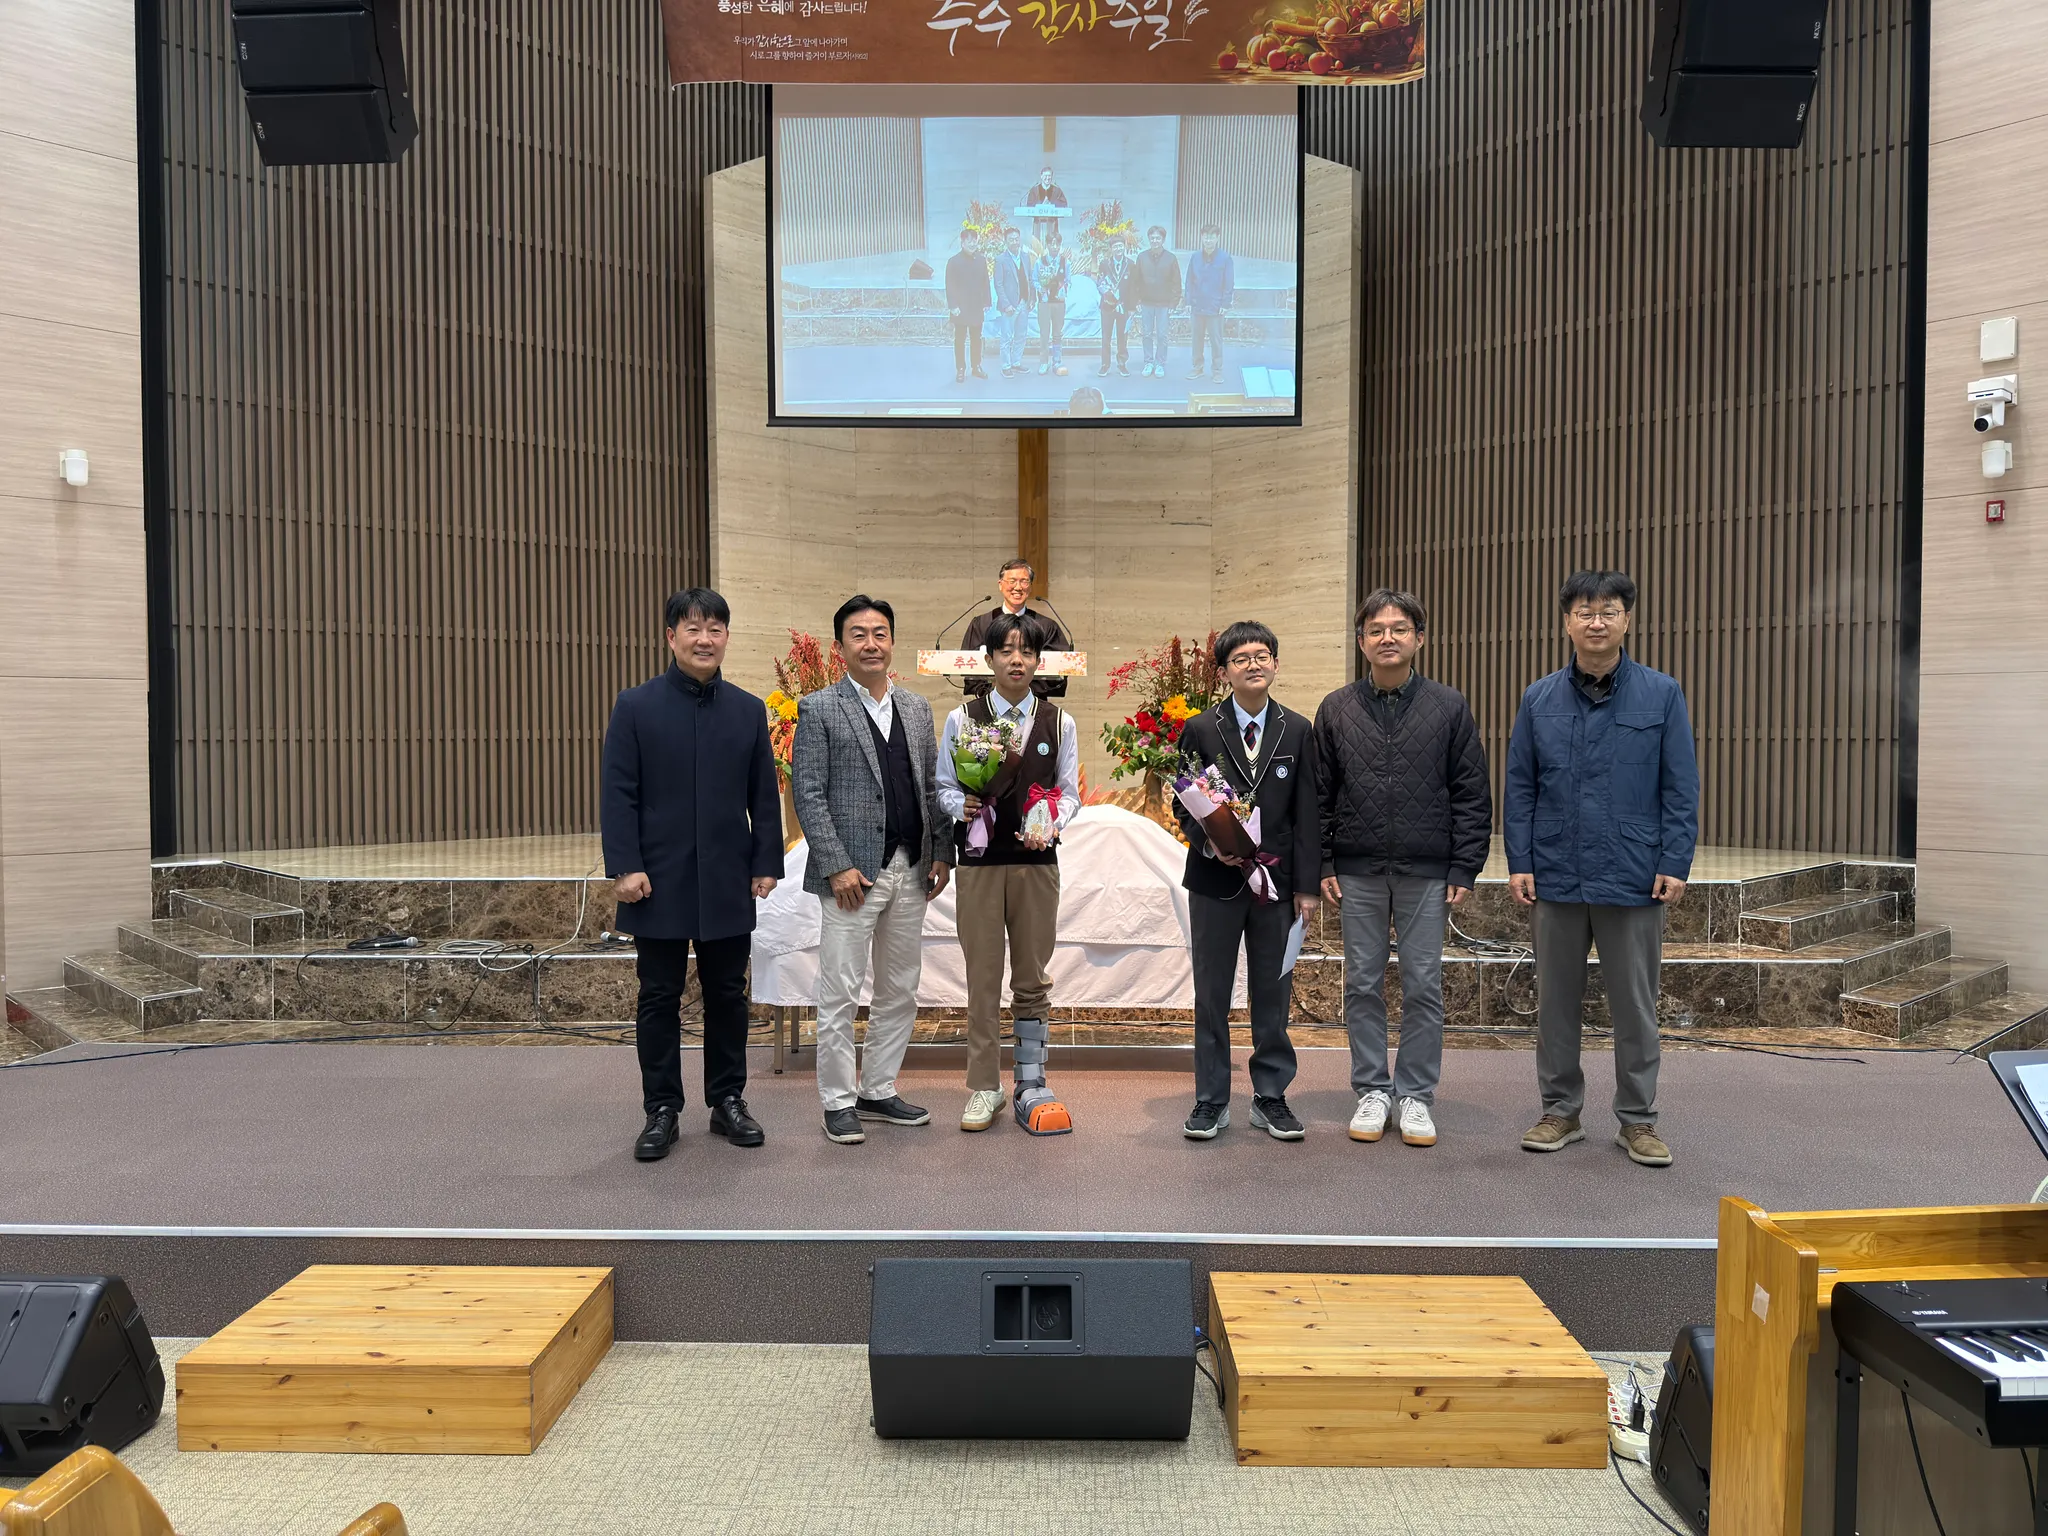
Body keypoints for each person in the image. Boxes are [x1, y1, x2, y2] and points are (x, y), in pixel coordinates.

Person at [1505, 571, 1699, 1169]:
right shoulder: (1539, 698)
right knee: (1555, 1003)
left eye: (1608, 611)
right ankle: (1559, 1111)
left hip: (1633, 872)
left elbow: (1680, 785)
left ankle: (1638, 1119)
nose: (1596, 622)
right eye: (1584, 612)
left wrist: (1674, 860)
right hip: (1557, 870)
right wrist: (1520, 860)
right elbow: (1520, 785)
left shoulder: (1661, 694)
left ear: (1627, 620)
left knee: (1635, 1006)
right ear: (1567, 622)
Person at [602, 587, 783, 1163]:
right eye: (693, 629)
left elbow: (763, 795)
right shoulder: (636, 705)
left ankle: (728, 1100)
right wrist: (625, 866)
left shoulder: (748, 710)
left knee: (728, 995)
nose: (705, 639)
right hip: (656, 878)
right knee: (658, 995)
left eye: (715, 629)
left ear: (726, 637)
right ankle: (661, 1108)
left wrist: (766, 861)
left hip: (727, 875)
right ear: (671, 636)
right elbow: (619, 793)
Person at [1315, 590, 1492, 1150]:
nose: (1387, 637)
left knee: (1423, 985)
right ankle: (1372, 1089)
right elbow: (1320, 795)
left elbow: (1471, 791)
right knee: (1361, 983)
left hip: (1426, 870)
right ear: (1361, 641)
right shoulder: (1336, 708)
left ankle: (1415, 1094)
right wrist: (1324, 860)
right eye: (1375, 629)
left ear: (1419, 637)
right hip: (1358, 869)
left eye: (1399, 628)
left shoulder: (1448, 706)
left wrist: (1464, 866)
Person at [791, 595, 952, 1145]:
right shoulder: (819, 708)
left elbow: (930, 786)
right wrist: (836, 865)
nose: (870, 644)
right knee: (839, 991)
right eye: (858, 635)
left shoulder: (915, 708)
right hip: (851, 880)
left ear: (892, 642)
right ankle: (838, 1101)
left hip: (910, 868)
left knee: (899, 988)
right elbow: (809, 794)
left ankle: (878, 1089)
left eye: (879, 633)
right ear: (840, 647)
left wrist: (941, 851)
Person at [935, 612, 1081, 1135]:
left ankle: (1031, 1078)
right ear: (990, 658)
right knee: (981, 978)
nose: (1016, 660)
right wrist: (962, 806)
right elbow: (943, 786)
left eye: (1026, 652)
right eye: (1006, 651)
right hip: (979, 864)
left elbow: (1070, 793)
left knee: (1032, 978)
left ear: (1039, 662)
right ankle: (983, 1086)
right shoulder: (963, 718)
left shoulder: (1059, 723)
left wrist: (1052, 820)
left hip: (1037, 865)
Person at [1175, 622, 1322, 1141]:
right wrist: (1209, 842)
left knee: (1273, 990)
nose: (1253, 665)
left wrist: (1307, 886)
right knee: (1211, 992)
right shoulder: (1200, 729)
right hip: (1214, 881)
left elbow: (1309, 813)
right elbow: (1183, 799)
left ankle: (1271, 1095)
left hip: (1277, 885)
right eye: (1241, 659)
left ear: (1275, 664)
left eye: (1262, 655)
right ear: (1224, 673)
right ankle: (1211, 1099)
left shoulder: (1298, 730)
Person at [960, 557, 1070, 699]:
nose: (1018, 587)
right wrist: (996, 691)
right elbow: (970, 673)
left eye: (1024, 581)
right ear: (1000, 585)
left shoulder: (1046, 626)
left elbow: (1058, 673)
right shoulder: (981, 623)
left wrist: (1021, 689)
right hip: (989, 704)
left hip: (1033, 704)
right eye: (1012, 581)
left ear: (1030, 586)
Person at [1184, 224, 1235, 383]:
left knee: (1216, 340)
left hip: (1215, 307)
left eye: (1212, 237)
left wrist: (1225, 304)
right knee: (1196, 339)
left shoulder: (1225, 258)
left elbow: (1229, 283)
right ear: (1201, 237)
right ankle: (1197, 367)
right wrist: (1188, 301)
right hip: (1197, 305)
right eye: (1206, 237)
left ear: (1217, 238)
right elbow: (1189, 281)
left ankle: (1217, 370)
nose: (1208, 240)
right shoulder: (1195, 257)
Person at [1132, 224, 1181, 379]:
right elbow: (1136, 281)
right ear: (1149, 239)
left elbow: (1176, 282)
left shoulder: (1171, 258)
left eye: (1158, 238)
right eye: (1152, 238)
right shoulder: (1142, 257)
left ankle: (1160, 363)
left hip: (1164, 304)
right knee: (1146, 334)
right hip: (1146, 303)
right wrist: (1137, 300)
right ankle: (1148, 362)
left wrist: (1174, 303)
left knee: (1162, 335)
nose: (1155, 241)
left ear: (1163, 240)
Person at [944, 228, 990, 385]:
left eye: (974, 241)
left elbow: (985, 282)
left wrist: (987, 302)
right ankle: (960, 369)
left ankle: (976, 366)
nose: (972, 244)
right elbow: (950, 285)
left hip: (976, 306)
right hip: (960, 308)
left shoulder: (981, 260)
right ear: (962, 243)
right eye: (969, 241)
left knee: (976, 338)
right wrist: (953, 306)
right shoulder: (953, 262)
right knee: (960, 339)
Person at [991, 227, 1033, 378]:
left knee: (1021, 335)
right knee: (1007, 337)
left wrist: (1031, 299)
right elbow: (998, 284)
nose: (1015, 242)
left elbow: (1029, 279)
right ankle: (1006, 365)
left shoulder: (1026, 257)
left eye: (1017, 239)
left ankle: (1016, 362)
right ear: (1006, 241)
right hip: (1009, 305)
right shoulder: (1001, 260)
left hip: (1024, 303)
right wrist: (1006, 304)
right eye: (1011, 240)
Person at [1035, 226, 1071, 378]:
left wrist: (1064, 289)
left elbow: (1068, 280)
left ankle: (1057, 360)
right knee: (1044, 334)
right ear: (1047, 245)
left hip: (1059, 303)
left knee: (1057, 334)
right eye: (1052, 244)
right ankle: (1044, 362)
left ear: (1060, 245)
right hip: (1044, 303)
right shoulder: (1040, 262)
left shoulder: (1065, 262)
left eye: (1057, 244)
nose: (1055, 247)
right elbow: (1034, 280)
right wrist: (1041, 288)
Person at [1096, 237, 1134, 379]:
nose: (1119, 249)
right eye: (1115, 247)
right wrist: (1109, 295)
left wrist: (1131, 307)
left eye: (1121, 246)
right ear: (1111, 249)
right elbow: (1100, 282)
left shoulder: (1130, 264)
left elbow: (1133, 287)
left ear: (1124, 247)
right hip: (1107, 306)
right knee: (1106, 337)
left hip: (1124, 306)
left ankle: (1122, 363)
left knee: (1122, 336)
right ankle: (1105, 364)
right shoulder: (1104, 264)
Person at [1024, 166, 1068, 244]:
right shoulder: (1034, 190)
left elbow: (1064, 204)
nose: (1047, 178)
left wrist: (1052, 205)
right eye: (1045, 176)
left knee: (1052, 243)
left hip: (1052, 220)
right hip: (1038, 221)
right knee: (1037, 244)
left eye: (1049, 176)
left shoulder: (1057, 190)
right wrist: (1041, 205)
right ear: (1041, 176)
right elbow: (1029, 204)